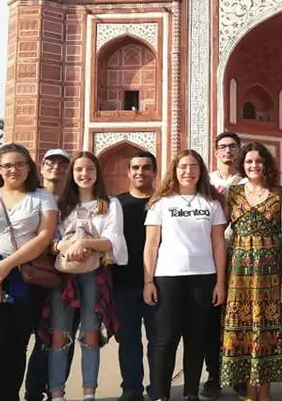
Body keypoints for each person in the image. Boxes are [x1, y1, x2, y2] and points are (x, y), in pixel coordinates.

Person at [0, 143, 59, 400]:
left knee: (15, 348)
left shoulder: (41, 196)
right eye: (7, 165)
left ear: (29, 167)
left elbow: (44, 237)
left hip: (24, 278)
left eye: (19, 164)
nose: (13, 170)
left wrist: (5, 266)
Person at [44, 151, 128, 401]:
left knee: (91, 335)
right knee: (59, 335)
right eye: (79, 169)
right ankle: (57, 394)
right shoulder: (60, 205)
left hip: (95, 272)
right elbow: (49, 241)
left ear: (97, 172)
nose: (84, 174)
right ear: (72, 173)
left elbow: (114, 240)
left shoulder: (109, 204)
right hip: (65, 273)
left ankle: (89, 393)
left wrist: (85, 244)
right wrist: (67, 248)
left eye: (90, 169)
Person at [144, 149, 227, 401]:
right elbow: (151, 244)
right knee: (165, 339)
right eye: (183, 167)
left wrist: (220, 283)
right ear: (174, 170)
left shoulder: (210, 203)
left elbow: (218, 244)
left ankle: (191, 392)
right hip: (168, 276)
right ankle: (161, 393)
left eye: (193, 166)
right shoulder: (162, 202)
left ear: (200, 171)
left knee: (196, 338)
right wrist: (148, 281)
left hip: (203, 277)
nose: (188, 172)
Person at [220, 143, 282, 400]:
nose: (254, 166)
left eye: (258, 161)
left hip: (269, 268)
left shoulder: (279, 194)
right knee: (242, 325)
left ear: (266, 164)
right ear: (242, 164)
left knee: (265, 326)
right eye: (249, 161)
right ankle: (249, 389)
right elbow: (219, 231)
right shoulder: (233, 193)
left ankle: (264, 391)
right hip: (239, 269)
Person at [26, 148, 73, 401]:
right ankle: (33, 392)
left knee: (63, 339)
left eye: (62, 163)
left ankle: (55, 391)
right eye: (50, 162)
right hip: (34, 277)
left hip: (68, 280)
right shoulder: (29, 199)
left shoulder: (76, 202)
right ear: (41, 167)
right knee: (36, 339)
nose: (56, 167)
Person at [113, 151, 159, 401]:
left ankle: (157, 387)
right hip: (123, 283)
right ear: (128, 172)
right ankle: (131, 389)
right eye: (135, 168)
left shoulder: (163, 202)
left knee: (157, 340)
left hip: (157, 283)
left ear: (154, 172)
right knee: (128, 340)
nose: (140, 172)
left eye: (146, 168)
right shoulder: (116, 205)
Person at [202, 132, 245, 401]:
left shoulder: (248, 179)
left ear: (239, 151)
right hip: (207, 256)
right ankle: (213, 376)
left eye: (232, 147)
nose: (228, 151)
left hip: (240, 258)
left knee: (239, 318)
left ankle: (239, 376)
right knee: (210, 321)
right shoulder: (205, 181)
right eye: (223, 147)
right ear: (215, 152)